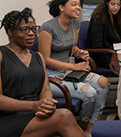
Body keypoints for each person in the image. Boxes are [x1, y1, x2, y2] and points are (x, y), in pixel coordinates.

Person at [0, 8, 85, 137]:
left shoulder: (38, 57)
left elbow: (45, 89)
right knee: (64, 116)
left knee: (63, 116)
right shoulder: (1, 55)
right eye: (24, 30)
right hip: (9, 118)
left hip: (36, 113)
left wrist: (46, 104)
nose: (31, 34)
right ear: (10, 32)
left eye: (34, 29)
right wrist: (34, 106)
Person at [38, 0, 110, 136]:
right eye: (74, 4)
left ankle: (91, 124)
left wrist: (79, 53)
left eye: (78, 4)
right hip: (51, 76)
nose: (78, 8)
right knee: (89, 92)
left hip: (70, 73)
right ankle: (82, 122)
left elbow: (72, 47)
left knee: (104, 83)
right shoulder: (47, 28)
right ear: (61, 7)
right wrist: (74, 66)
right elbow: (44, 59)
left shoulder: (75, 23)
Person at [86, 0, 121, 68]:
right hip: (101, 57)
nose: (115, 7)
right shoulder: (98, 18)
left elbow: (117, 38)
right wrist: (110, 64)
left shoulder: (116, 16)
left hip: (113, 52)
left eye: (118, 5)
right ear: (106, 3)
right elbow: (98, 46)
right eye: (113, 4)